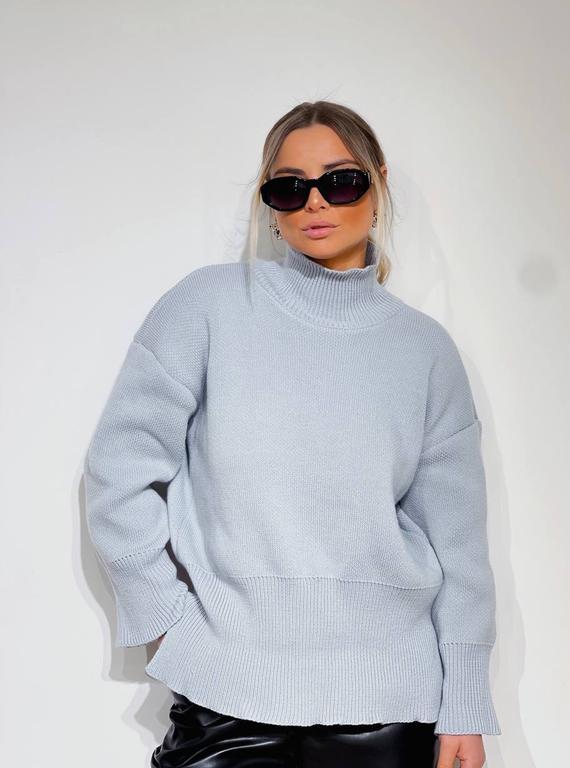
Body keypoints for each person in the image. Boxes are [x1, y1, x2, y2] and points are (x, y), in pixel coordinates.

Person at [84, 100, 501, 767]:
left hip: (388, 707)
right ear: (269, 202)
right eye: (289, 187)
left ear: (378, 182)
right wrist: (161, 617)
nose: (316, 202)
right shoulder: (207, 307)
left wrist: (466, 706)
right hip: (224, 697)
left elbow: (459, 548)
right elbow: (117, 470)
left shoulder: (425, 352)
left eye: (340, 181)